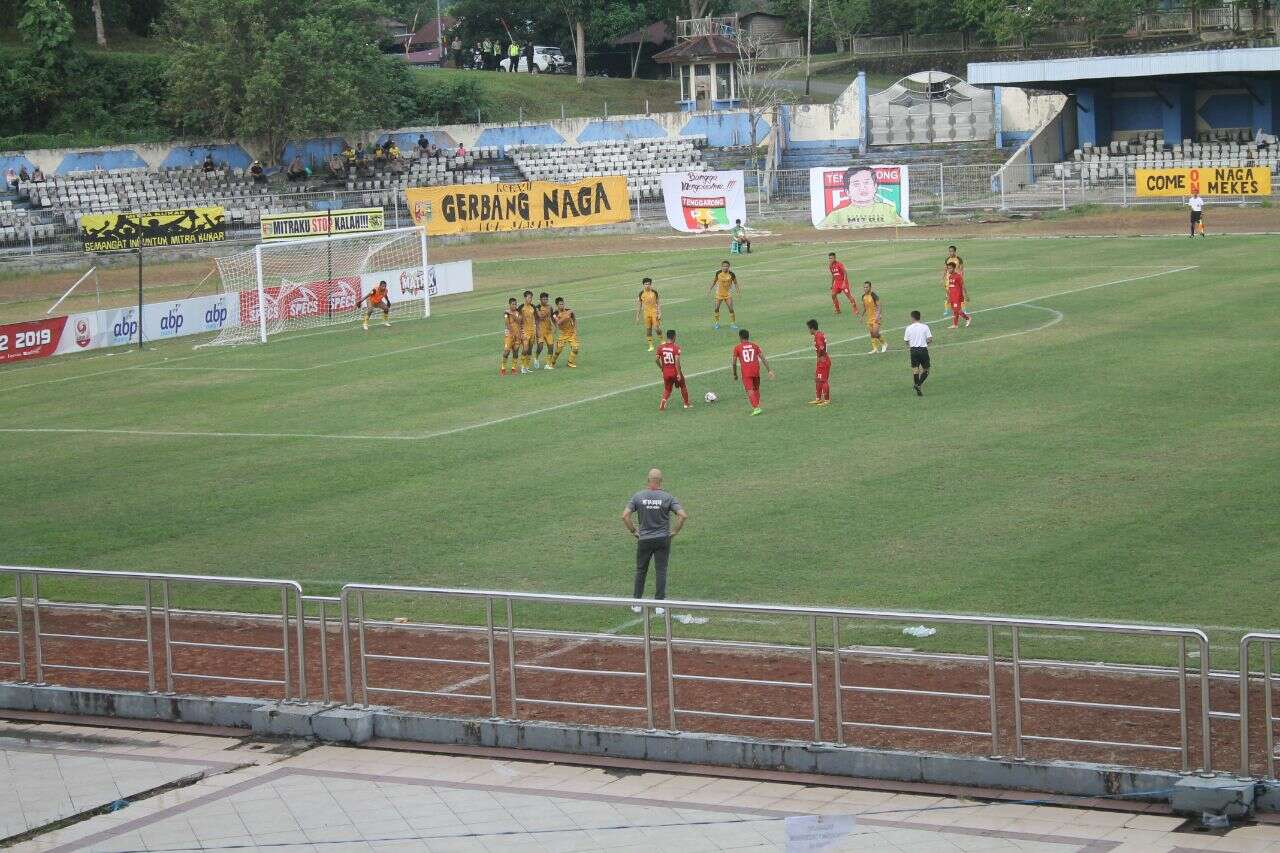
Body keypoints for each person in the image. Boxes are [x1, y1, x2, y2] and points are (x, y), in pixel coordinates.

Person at [621, 468, 688, 614]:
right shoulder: (668, 497)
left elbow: (625, 516)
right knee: (661, 571)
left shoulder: (638, 496)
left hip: (644, 539)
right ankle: (659, 605)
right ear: (661, 481)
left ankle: (637, 603)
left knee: (641, 570)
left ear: (648, 480)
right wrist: (674, 532)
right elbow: (682, 515)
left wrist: (634, 531)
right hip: (663, 539)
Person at [819, 166, 906, 228]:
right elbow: (822, 227)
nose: (862, 188)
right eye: (856, 184)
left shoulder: (888, 210)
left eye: (866, 182)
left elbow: (903, 225)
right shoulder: (836, 215)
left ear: (875, 187)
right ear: (847, 191)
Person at [731, 328, 774, 416]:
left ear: (740, 337)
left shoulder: (737, 348)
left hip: (746, 372)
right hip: (756, 370)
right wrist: (769, 370)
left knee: (749, 390)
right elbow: (763, 358)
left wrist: (735, 374)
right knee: (756, 389)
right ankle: (757, 404)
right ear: (748, 336)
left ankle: (756, 408)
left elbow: (734, 362)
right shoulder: (755, 346)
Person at [656, 329, 690, 411]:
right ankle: (686, 404)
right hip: (674, 371)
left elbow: (656, 360)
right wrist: (678, 373)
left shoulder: (660, 347)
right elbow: (677, 361)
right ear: (674, 337)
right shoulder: (675, 347)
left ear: (667, 336)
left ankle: (663, 401)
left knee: (667, 389)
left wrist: (662, 368)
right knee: (683, 386)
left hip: (666, 372)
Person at [904, 310, 932, 397]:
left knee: (915, 370)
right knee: (926, 370)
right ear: (919, 317)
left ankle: (917, 388)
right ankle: (918, 385)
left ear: (912, 318)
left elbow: (906, 341)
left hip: (913, 350)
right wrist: (925, 343)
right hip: (923, 350)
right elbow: (930, 339)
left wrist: (911, 345)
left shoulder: (908, 328)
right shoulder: (925, 327)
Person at [549, 297, 579, 368]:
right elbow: (558, 322)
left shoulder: (568, 311)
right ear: (557, 305)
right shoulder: (555, 314)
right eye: (560, 304)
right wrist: (565, 316)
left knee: (575, 348)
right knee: (558, 351)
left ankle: (570, 363)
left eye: (563, 304)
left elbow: (574, 319)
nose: (562, 305)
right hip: (563, 334)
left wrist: (575, 329)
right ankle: (552, 363)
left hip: (571, 333)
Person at [807, 319, 830, 406]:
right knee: (818, 379)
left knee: (823, 380)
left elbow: (821, 347)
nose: (808, 331)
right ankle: (818, 398)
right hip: (821, 361)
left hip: (823, 361)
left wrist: (820, 357)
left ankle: (827, 400)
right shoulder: (819, 334)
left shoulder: (818, 336)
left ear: (812, 328)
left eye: (809, 329)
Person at [710, 260, 738, 330]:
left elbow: (735, 283)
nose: (725, 267)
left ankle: (733, 324)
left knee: (731, 309)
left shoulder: (731, 274)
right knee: (716, 308)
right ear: (721, 267)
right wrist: (710, 289)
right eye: (724, 266)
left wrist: (738, 291)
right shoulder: (718, 273)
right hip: (719, 294)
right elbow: (714, 281)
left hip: (727, 295)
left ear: (729, 267)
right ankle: (717, 323)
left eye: (726, 266)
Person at [636, 277, 662, 351]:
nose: (647, 285)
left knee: (657, 328)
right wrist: (637, 316)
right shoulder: (641, 293)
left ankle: (662, 341)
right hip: (646, 314)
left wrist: (660, 313)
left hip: (654, 313)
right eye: (645, 284)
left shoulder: (654, 292)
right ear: (643, 285)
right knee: (648, 330)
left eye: (648, 284)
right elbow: (639, 305)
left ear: (651, 284)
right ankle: (651, 346)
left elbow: (658, 303)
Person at [829, 252, 857, 316]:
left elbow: (845, 272)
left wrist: (844, 282)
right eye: (829, 258)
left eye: (831, 258)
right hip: (837, 283)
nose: (830, 259)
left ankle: (855, 309)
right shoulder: (830, 266)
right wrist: (832, 284)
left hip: (843, 282)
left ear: (835, 258)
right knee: (833, 295)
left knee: (848, 296)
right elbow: (833, 275)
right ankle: (838, 310)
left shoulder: (839, 264)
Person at [500, 297, 523, 375]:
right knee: (506, 352)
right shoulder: (506, 313)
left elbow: (519, 321)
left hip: (517, 336)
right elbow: (507, 323)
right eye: (513, 304)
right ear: (509, 305)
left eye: (515, 304)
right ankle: (503, 368)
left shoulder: (518, 312)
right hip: (509, 336)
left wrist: (512, 314)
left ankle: (513, 368)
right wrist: (511, 332)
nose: (515, 305)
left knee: (516, 352)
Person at [862, 281, 886, 353]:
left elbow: (879, 306)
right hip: (869, 318)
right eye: (864, 287)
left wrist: (878, 315)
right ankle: (875, 348)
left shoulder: (873, 295)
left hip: (876, 317)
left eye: (867, 287)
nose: (865, 288)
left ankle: (884, 344)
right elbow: (865, 307)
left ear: (870, 287)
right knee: (872, 333)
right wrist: (862, 316)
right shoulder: (863, 296)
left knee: (875, 333)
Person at [534, 292, 556, 369]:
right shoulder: (537, 307)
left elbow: (552, 317)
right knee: (540, 347)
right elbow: (540, 317)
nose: (545, 301)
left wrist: (555, 325)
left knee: (551, 347)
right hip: (540, 330)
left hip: (548, 330)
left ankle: (547, 364)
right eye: (544, 299)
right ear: (540, 299)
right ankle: (536, 358)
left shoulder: (550, 307)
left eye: (546, 299)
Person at [518, 290, 537, 373]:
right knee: (525, 348)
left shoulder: (533, 307)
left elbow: (535, 318)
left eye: (531, 298)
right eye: (529, 297)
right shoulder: (521, 308)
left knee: (530, 349)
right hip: (525, 331)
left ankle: (527, 366)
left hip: (532, 331)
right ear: (525, 298)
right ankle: (522, 367)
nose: (530, 299)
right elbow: (518, 320)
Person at [942, 245, 963, 318]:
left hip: (956, 279)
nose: (950, 253)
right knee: (948, 294)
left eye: (952, 251)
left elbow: (961, 269)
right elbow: (945, 269)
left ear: (955, 251)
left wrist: (961, 277)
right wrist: (943, 278)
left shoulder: (959, 259)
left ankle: (962, 309)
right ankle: (946, 310)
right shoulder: (947, 259)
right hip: (948, 280)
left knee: (958, 295)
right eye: (949, 251)